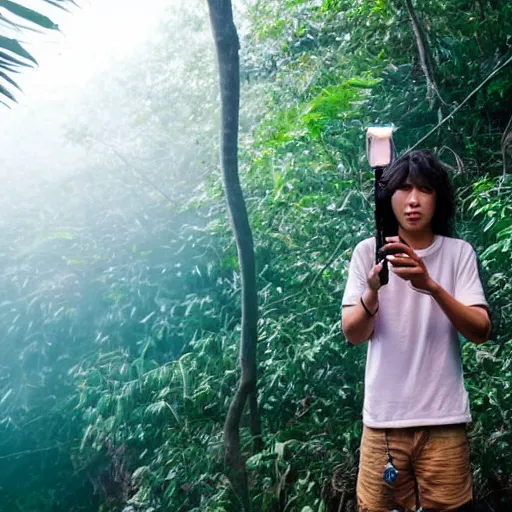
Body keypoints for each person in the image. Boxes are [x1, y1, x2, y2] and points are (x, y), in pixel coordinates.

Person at [341, 149, 491, 512]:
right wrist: (372, 292)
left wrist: (432, 286)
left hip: (444, 419)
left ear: (437, 198)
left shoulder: (458, 253)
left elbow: (481, 330)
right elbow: (353, 333)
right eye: (403, 189)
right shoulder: (368, 253)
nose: (412, 200)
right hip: (384, 422)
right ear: (387, 197)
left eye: (424, 189)